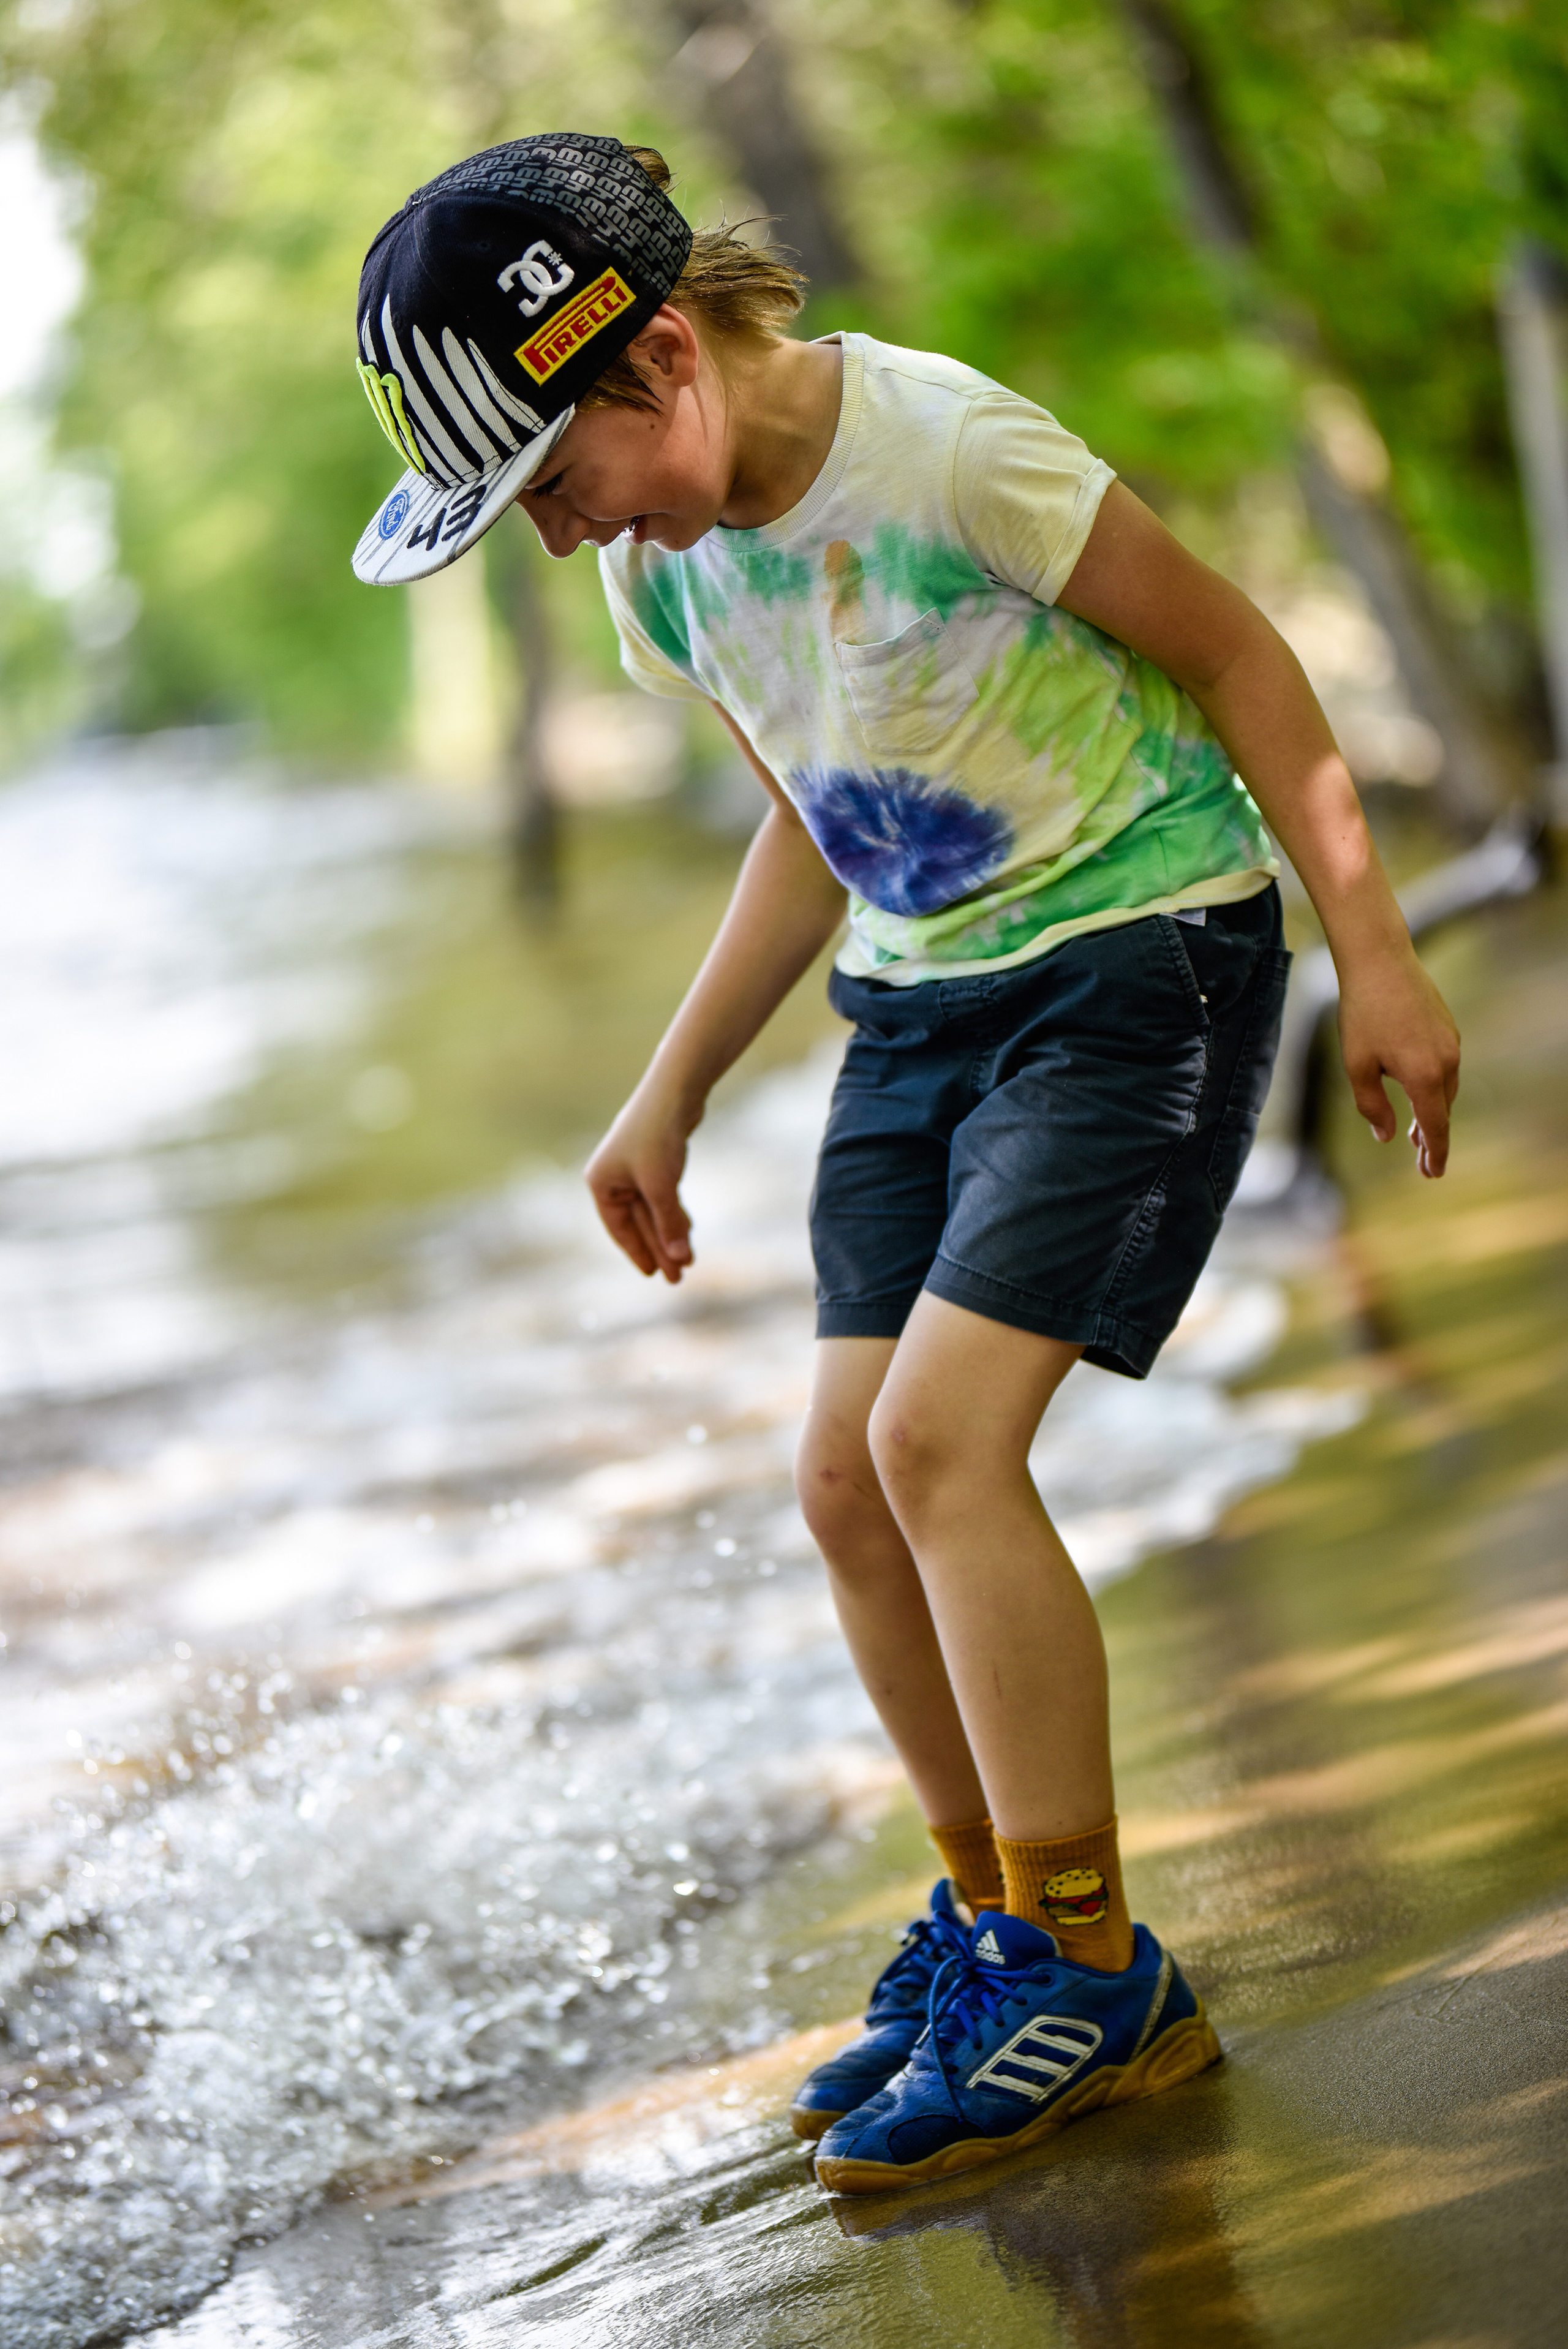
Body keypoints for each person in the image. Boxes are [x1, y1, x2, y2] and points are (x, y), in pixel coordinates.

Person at [352, 134, 1461, 2194]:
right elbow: (820, 816)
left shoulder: (950, 452)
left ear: (659, 358)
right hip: (919, 998)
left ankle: (1095, 1962)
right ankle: (994, 1935)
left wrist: (1373, 952)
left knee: (950, 1444)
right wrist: (669, 1083)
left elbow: (1240, 657)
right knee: (846, 1477)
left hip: (1139, 954)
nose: (547, 532)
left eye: (546, 479)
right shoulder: (659, 577)